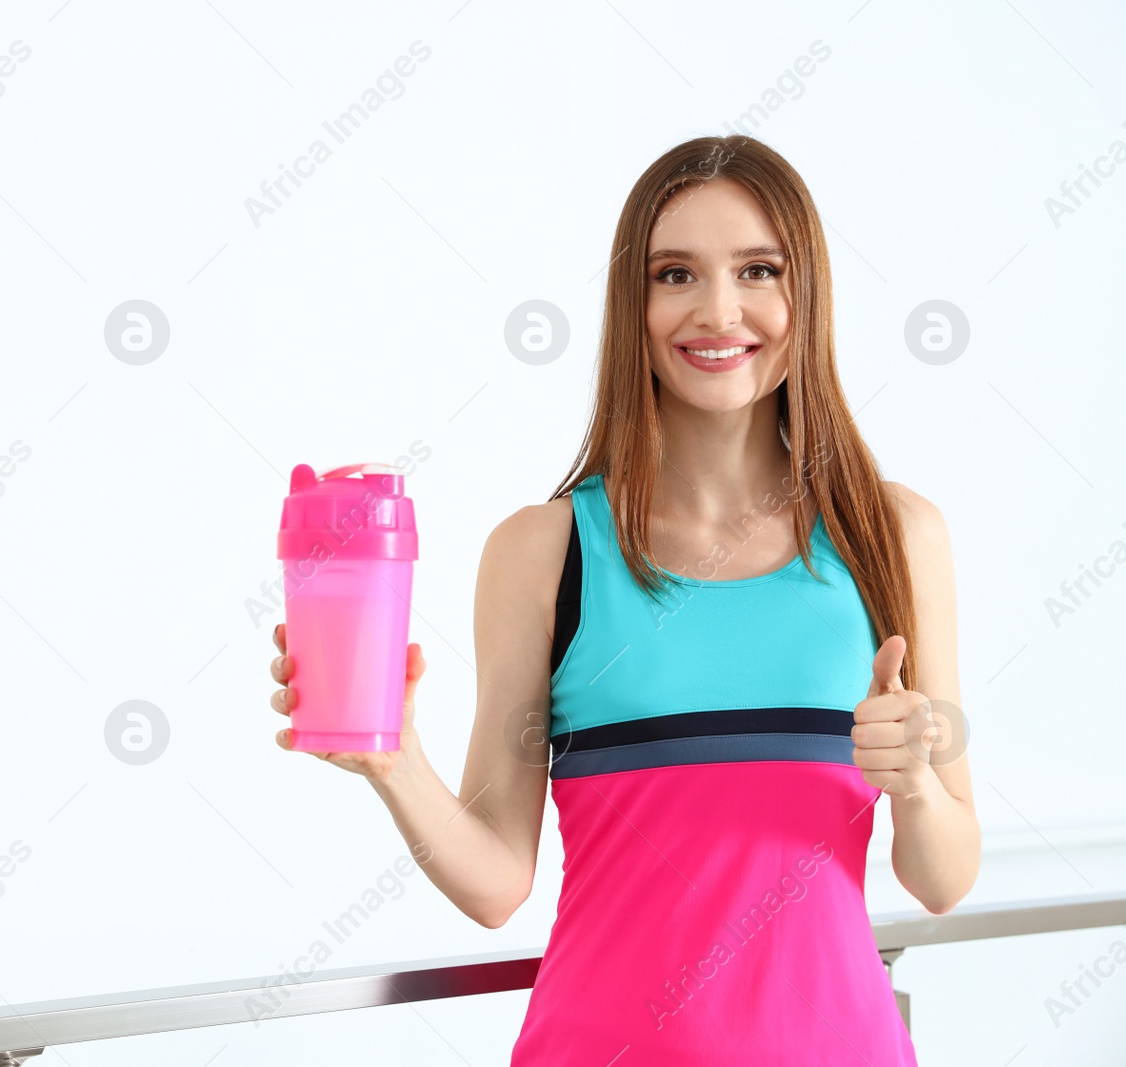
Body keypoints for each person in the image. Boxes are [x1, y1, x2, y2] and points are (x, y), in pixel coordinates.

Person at [268, 134, 978, 1063]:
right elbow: (495, 881)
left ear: (807, 296)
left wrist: (917, 781)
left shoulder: (894, 536)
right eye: (675, 273)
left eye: (758, 269)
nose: (717, 309)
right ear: (632, 305)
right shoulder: (544, 552)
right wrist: (393, 760)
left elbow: (943, 877)